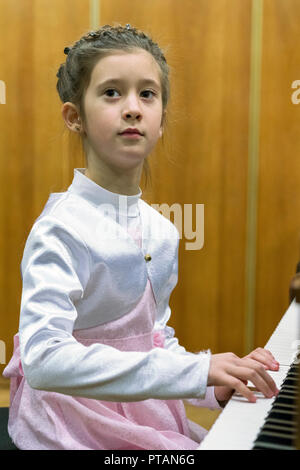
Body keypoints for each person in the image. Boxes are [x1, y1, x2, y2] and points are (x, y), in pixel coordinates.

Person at [3, 24, 279, 450]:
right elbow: (43, 359)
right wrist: (195, 372)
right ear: (74, 116)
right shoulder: (61, 228)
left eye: (147, 94)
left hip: (144, 411)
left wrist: (213, 384)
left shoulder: (162, 231)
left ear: (162, 120)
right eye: (112, 93)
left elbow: (153, 340)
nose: (132, 108)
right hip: (72, 421)